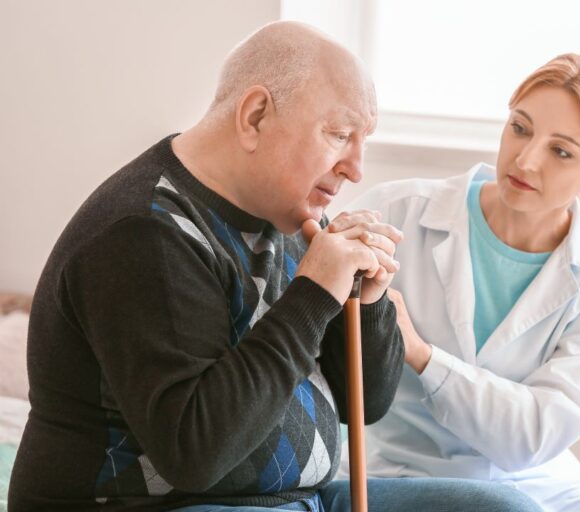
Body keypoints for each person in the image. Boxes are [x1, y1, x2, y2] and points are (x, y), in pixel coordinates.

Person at [8, 21, 542, 512]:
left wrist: (367, 302)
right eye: (339, 135)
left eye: (362, 143)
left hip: (295, 499)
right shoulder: (144, 232)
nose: (356, 169)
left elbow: (365, 405)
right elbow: (196, 454)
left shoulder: (286, 212)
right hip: (161, 506)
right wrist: (313, 294)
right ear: (256, 116)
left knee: (508, 509)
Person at [339, 54, 580, 511]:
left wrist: (419, 352)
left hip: (537, 484)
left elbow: (533, 435)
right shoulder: (396, 213)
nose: (525, 160)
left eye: (561, 151)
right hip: (399, 473)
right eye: (520, 128)